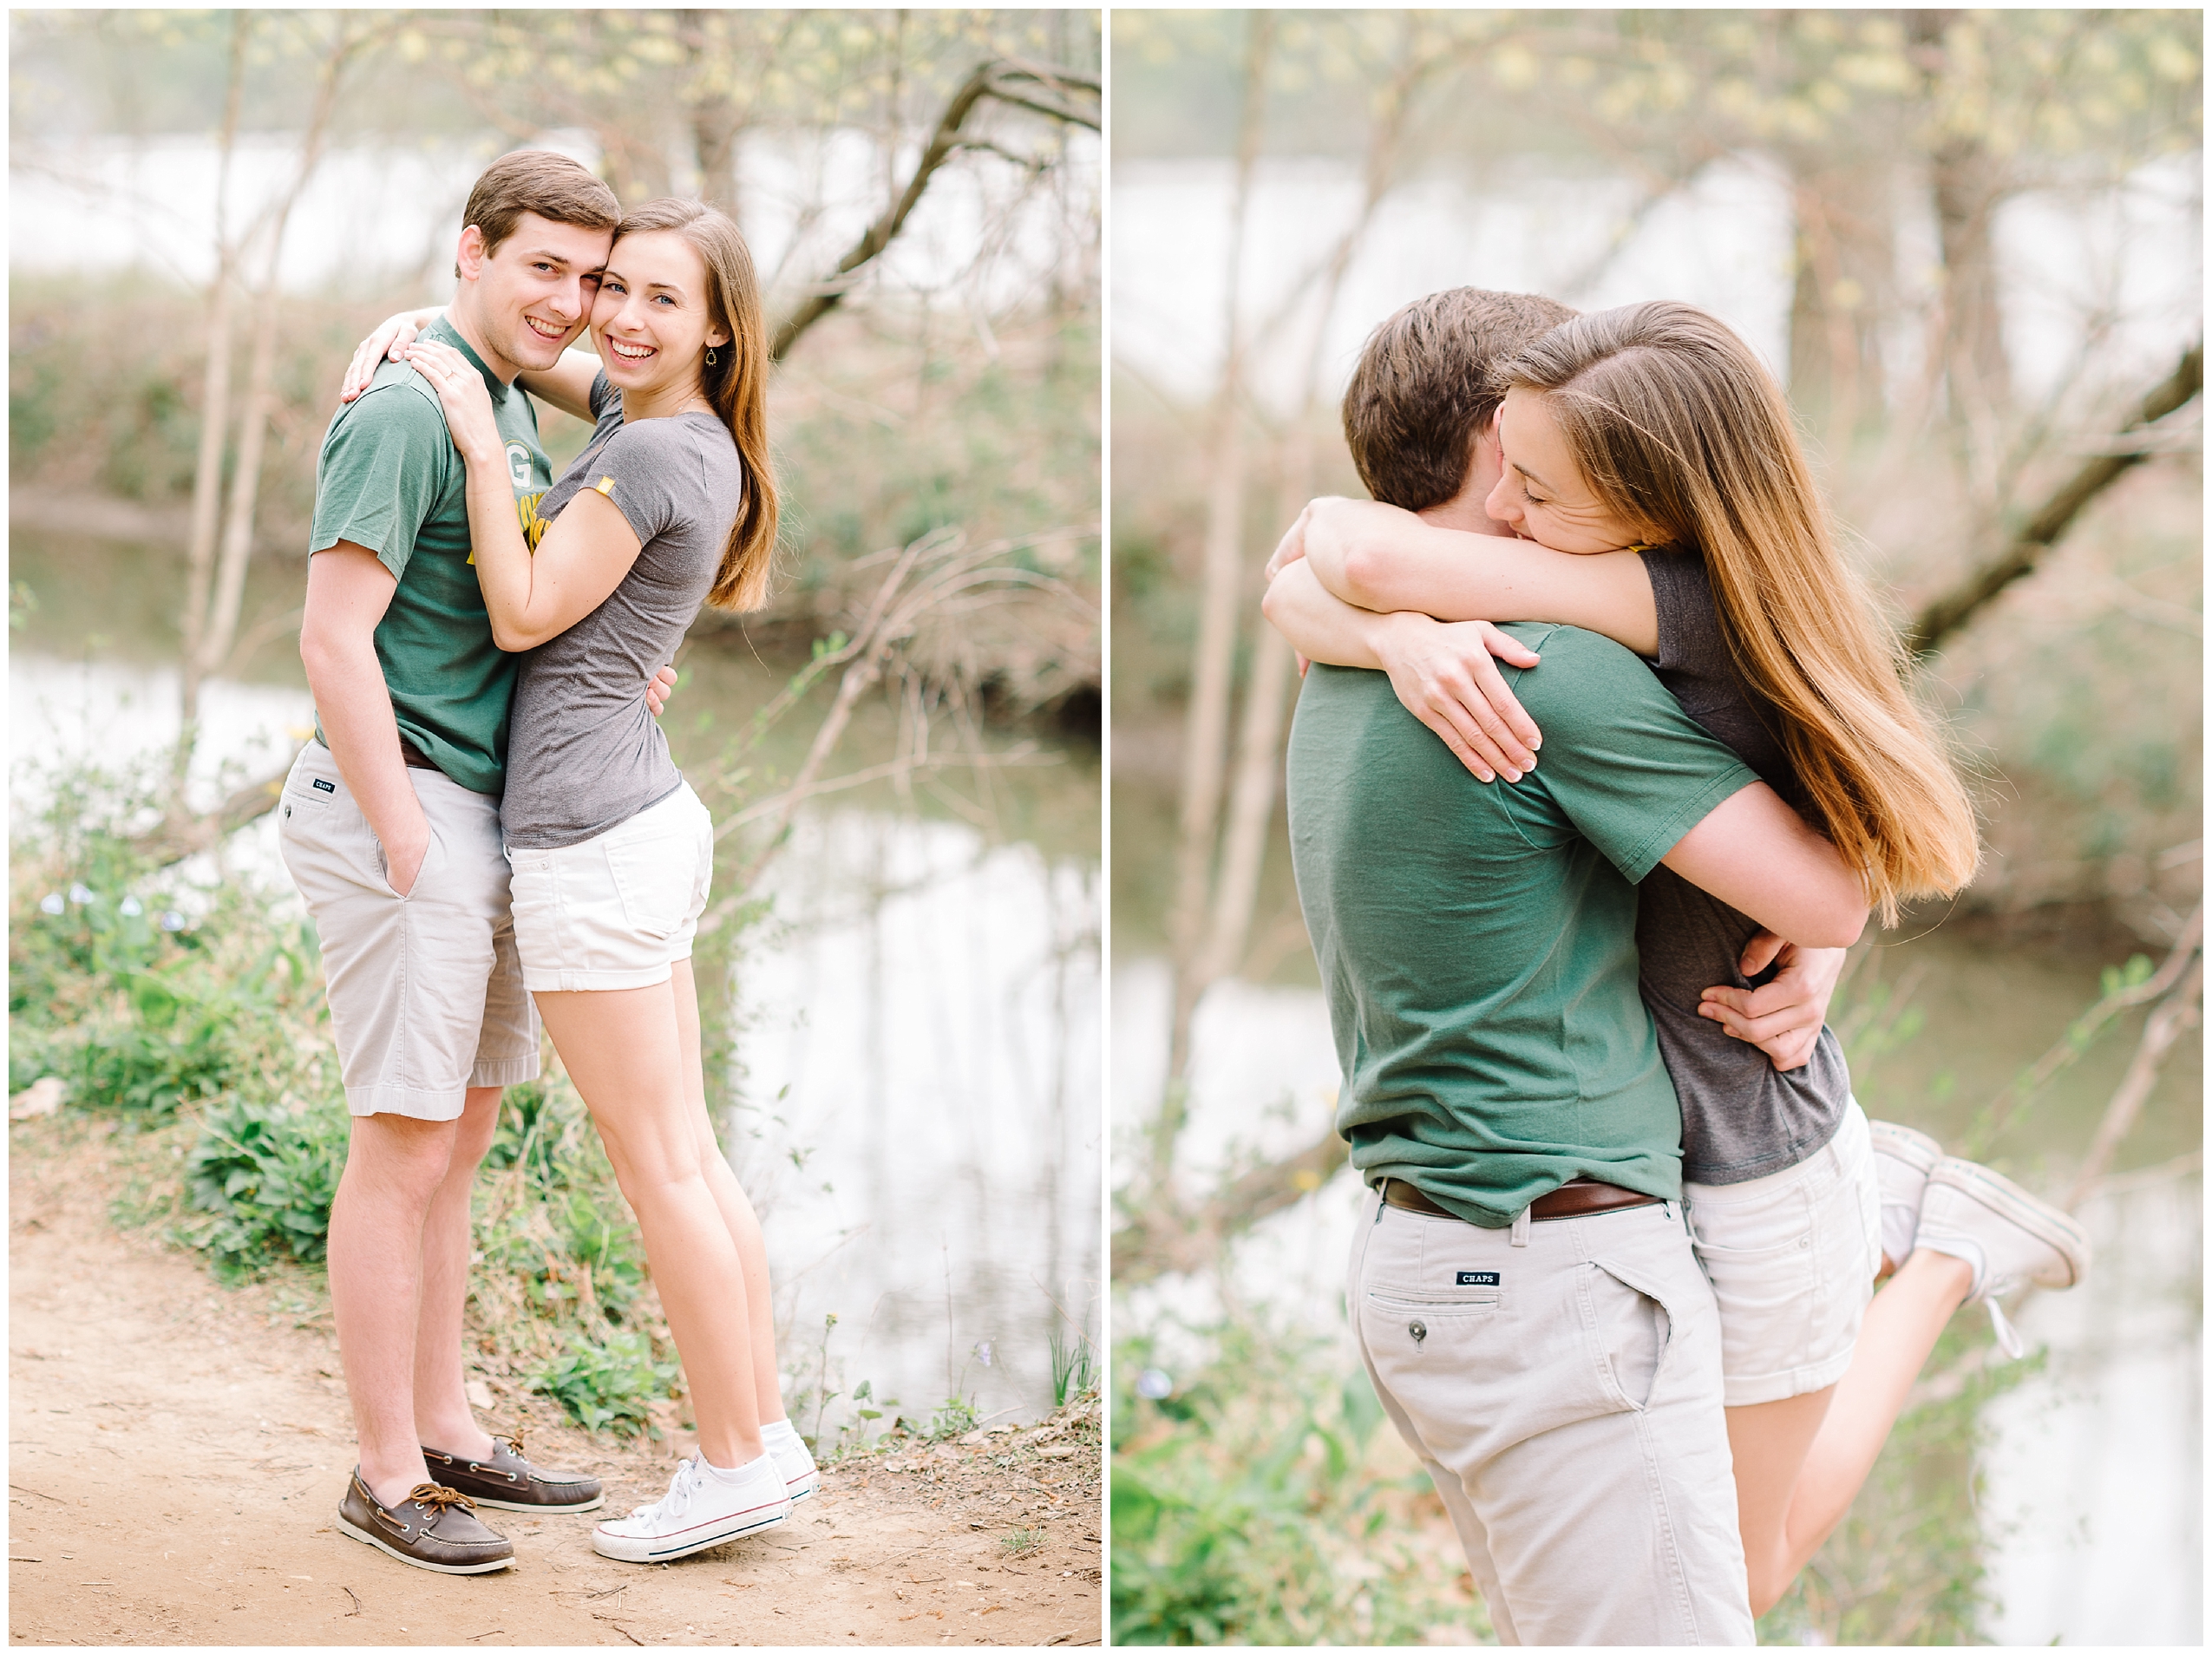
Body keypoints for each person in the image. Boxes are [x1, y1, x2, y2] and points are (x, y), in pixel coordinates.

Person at [1266, 291, 2091, 1626]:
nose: (1527, 505)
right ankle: (1935, 1239)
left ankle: (1938, 1244)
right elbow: (1324, 562)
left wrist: (1378, 626)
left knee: (1725, 1584)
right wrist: (1382, 628)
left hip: (1707, 1154)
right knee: (1729, 1583)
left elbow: (1330, 552)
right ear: (1497, 443)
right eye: (1522, 470)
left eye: (1558, 476)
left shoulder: (1570, 637)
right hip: (1587, 1228)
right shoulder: (1503, 657)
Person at [376, 193, 812, 1567]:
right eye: (610, 286)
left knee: (657, 1169)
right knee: (688, 1154)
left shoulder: (649, 461)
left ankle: (731, 1460)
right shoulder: (664, 428)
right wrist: (428, 336)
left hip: (588, 842)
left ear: (721, 332)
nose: (617, 316)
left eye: (659, 300)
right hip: (637, 820)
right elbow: (550, 366)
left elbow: (517, 610)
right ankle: (768, 1435)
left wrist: (458, 420)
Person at [283, 148, 638, 1576]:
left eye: (590, 276)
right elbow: (331, 637)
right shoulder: (404, 412)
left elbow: (634, 391)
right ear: (471, 249)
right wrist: (403, 828)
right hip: (409, 810)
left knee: (459, 1145)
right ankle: (383, 1473)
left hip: (489, 814)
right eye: (539, 265)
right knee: (402, 1146)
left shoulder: (479, 387)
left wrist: (437, 326)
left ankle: (445, 1427)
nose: (570, 300)